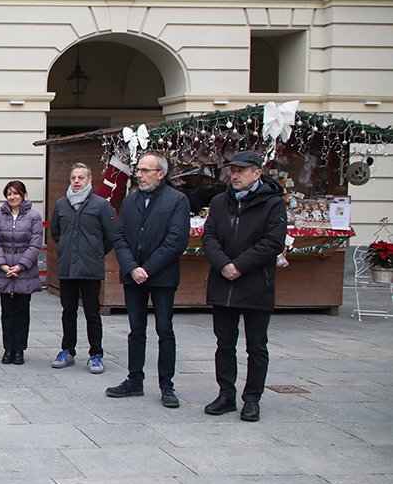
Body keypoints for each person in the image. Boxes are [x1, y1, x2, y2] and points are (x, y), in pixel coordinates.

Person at [201, 150, 288, 422]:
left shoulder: (273, 203)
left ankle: (252, 399)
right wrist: (224, 264)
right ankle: (226, 394)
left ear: (257, 173)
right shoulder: (219, 202)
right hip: (222, 282)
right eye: (233, 170)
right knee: (224, 344)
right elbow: (209, 237)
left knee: (257, 346)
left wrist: (239, 265)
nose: (234, 175)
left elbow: (273, 242)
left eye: (241, 170)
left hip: (254, 284)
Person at [108, 152, 191, 407]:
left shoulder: (177, 200)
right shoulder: (131, 201)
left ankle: (167, 385)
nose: (140, 175)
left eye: (145, 170)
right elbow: (119, 237)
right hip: (134, 277)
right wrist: (133, 267)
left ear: (161, 174)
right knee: (136, 330)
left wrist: (148, 268)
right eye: (139, 170)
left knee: (164, 330)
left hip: (162, 277)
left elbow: (176, 240)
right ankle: (134, 380)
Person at [49, 163, 117, 373]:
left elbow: (111, 236)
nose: (76, 181)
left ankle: (96, 354)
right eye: (73, 178)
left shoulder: (101, 205)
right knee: (68, 311)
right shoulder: (61, 205)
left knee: (92, 312)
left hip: (90, 268)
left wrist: (93, 252)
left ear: (89, 180)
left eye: (81, 178)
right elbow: (56, 233)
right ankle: (67, 350)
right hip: (68, 267)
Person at [0, 180, 43, 365]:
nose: (12, 197)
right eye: (9, 194)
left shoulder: (34, 216)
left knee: (21, 311)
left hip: (23, 271)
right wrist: (2, 265)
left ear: (24, 195)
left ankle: (19, 349)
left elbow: (35, 244)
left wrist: (20, 266)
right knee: (7, 312)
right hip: (4, 269)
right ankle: (8, 348)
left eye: (16, 193)